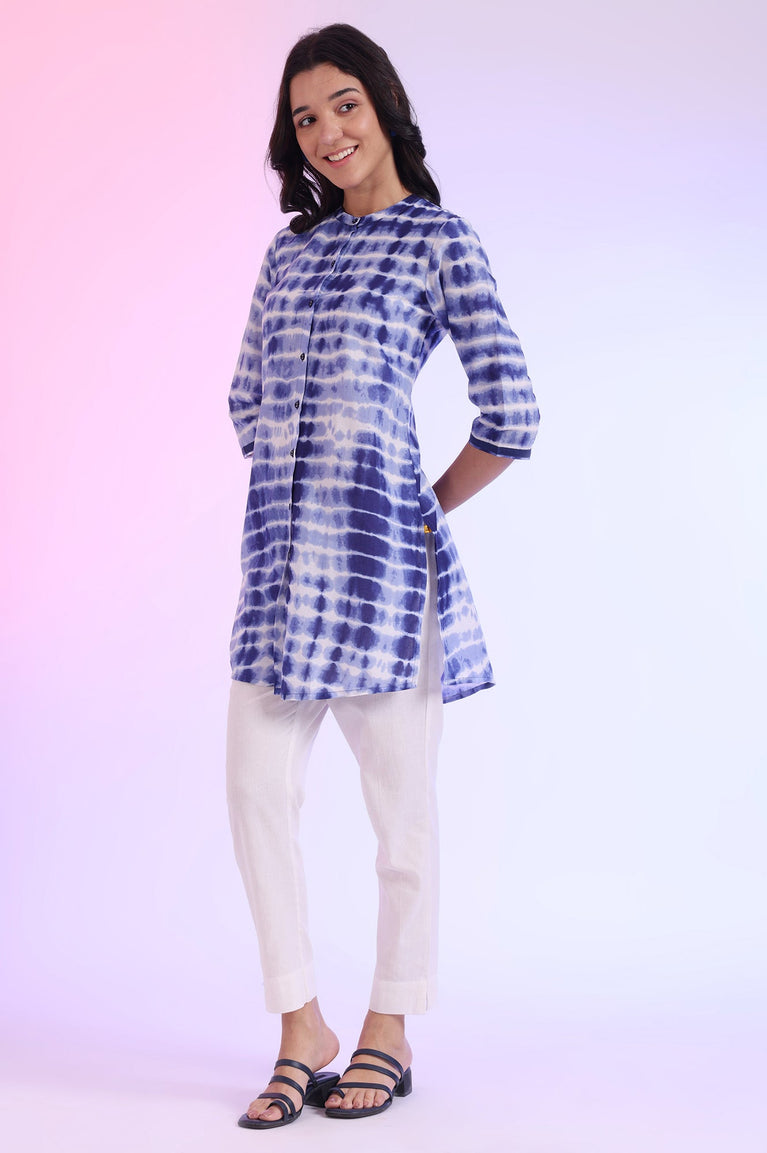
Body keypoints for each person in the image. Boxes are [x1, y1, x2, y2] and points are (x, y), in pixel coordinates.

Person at [225, 22, 540, 1128]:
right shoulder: (290, 254)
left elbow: (511, 412)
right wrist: (303, 474)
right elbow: (244, 401)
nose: (326, 133)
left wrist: (413, 505)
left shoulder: (436, 242)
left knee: (399, 819)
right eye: (305, 118)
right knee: (254, 793)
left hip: (381, 582)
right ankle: (299, 1027)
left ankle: (389, 1026)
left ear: (384, 105)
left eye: (343, 105)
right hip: (277, 582)